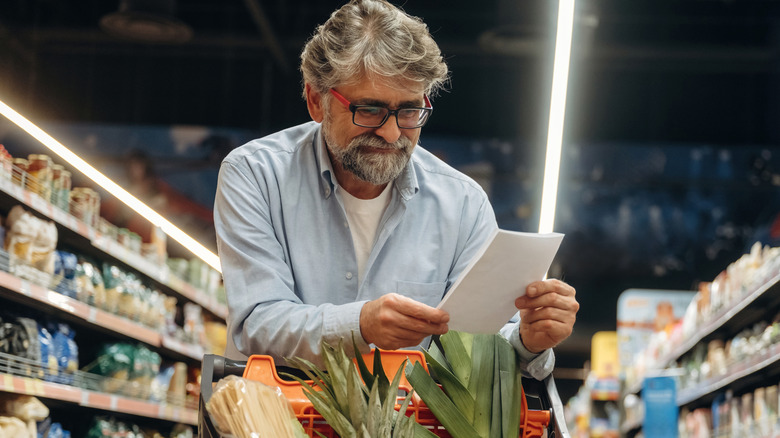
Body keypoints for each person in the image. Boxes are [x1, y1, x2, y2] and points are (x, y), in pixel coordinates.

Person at [214, 0, 579, 434]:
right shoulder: (255, 176)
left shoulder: (462, 204)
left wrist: (529, 340)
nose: (391, 133)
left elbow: (480, 346)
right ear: (316, 100)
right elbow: (258, 322)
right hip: (286, 420)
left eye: (409, 111)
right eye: (369, 110)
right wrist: (360, 324)